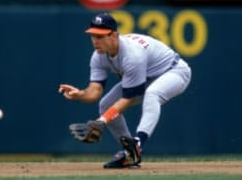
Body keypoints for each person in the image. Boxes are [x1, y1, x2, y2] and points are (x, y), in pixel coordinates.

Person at [59, 12, 192, 168]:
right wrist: (80, 94)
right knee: (105, 105)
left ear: (114, 36)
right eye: (93, 36)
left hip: (174, 71)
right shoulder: (98, 56)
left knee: (152, 94)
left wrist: (101, 121)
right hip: (148, 77)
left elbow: (128, 99)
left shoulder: (132, 55)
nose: (95, 41)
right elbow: (95, 91)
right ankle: (130, 155)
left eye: (100, 36)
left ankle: (137, 145)